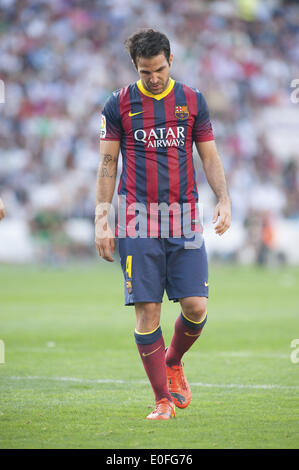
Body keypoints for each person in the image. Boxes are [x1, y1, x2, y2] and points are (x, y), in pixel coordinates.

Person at [95, 29, 231, 420]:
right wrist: (102, 217)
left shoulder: (192, 101)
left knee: (196, 306)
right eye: (144, 71)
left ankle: (173, 361)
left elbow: (209, 154)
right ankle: (162, 402)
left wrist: (223, 198)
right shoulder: (118, 104)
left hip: (185, 217)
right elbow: (108, 164)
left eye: (158, 69)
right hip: (137, 220)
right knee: (147, 313)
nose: (153, 77)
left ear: (170, 60)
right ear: (134, 68)